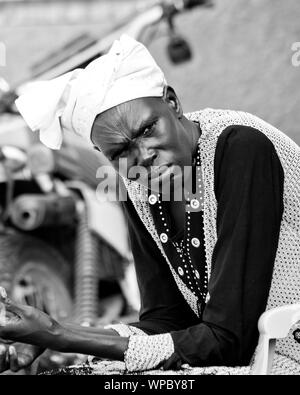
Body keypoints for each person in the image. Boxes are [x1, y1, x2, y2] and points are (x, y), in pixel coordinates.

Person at [0, 35, 299, 375]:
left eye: (147, 129)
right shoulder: (137, 187)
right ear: (104, 156)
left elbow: (230, 340)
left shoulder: (241, 149)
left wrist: (62, 335)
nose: (142, 157)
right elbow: (168, 320)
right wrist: (54, 335)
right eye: (120, 152)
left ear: (172, 102)